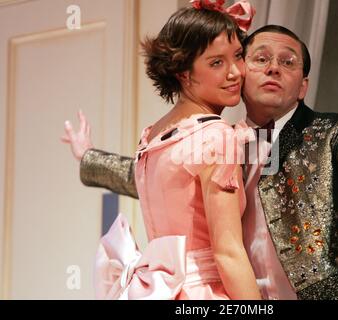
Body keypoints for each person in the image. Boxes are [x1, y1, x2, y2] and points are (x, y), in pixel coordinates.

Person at [63, 24, 338, 300]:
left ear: (302, 86)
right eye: (260, 58)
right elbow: (159, 178)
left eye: (288, 62)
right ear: (240, 73)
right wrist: (89, 157)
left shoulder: (330, 133)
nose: (273, 68)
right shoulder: (217, 139)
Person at [63, 1, 263, 300]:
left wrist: (87, 155)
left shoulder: (152, 136)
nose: (235, 72)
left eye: (237, 56)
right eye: (216, 62)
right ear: (183, 72)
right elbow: (228, 252)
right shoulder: (216, 136)